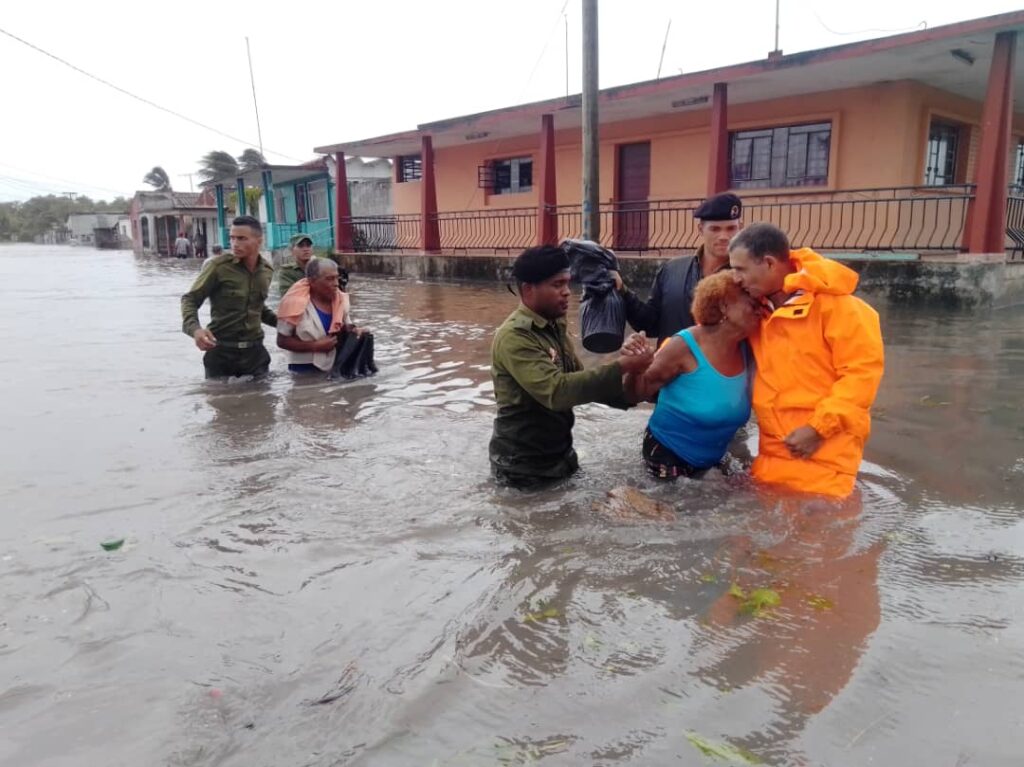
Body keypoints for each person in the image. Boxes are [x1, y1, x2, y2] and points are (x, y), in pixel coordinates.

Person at [729, 223, 885, 498]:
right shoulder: (758, 311)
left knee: (820, 535)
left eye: (740, 270)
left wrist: (817, 430)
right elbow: (710, 332)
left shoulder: (843, 310)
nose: (735, 279)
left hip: (824, 457)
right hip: (771, 455)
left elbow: (861, 378)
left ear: (768, 263)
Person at [489, 245, 653, 487]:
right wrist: (622, 365)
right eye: (557, 285)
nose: (567, 292)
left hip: (560, 457)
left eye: (567, 283)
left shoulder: (553, 324)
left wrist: (632, 388)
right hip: (522, 469)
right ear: (528, 289)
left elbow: (578, 379)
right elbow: (558, 392)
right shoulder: (515, 337)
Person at [624, 271, 761, 479]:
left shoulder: (749, 350)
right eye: (753, 305)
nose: (760, 311)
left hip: (714, 458)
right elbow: (636, 394)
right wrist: (635, 366)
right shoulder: (683, 347)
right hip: (667, 454)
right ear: (724, 307)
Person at [612, 192, 743, 345]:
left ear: (740, 228)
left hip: (722, 368)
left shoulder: (747, 278)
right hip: (671, 366)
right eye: (715, 229)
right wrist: (622, 291)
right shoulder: (672, 269)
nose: (723, 236)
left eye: (731, 229)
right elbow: (651, 325)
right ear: (701, 229)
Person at [180, 215, 277, 379]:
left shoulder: (266, 270)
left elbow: (258, 307)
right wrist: (195, 330)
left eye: (241, 238)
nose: (234, 244)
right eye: (232, 238)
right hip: (221, 353)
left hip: (255, 354)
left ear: (259, 241)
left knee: (263, 402)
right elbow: (190, 299)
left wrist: (284, 325)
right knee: (221, 401)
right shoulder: (218, 267)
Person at [276, 257, 375, 378]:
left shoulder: (341, 300)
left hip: (335, 367)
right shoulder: (294, 304)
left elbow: (345, 326)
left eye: (336, 278)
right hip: (303, 372)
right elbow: (281, 341)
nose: (336, 284)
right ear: (312, 281)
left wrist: (354, 331)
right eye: (329, 279)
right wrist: (315, 346)